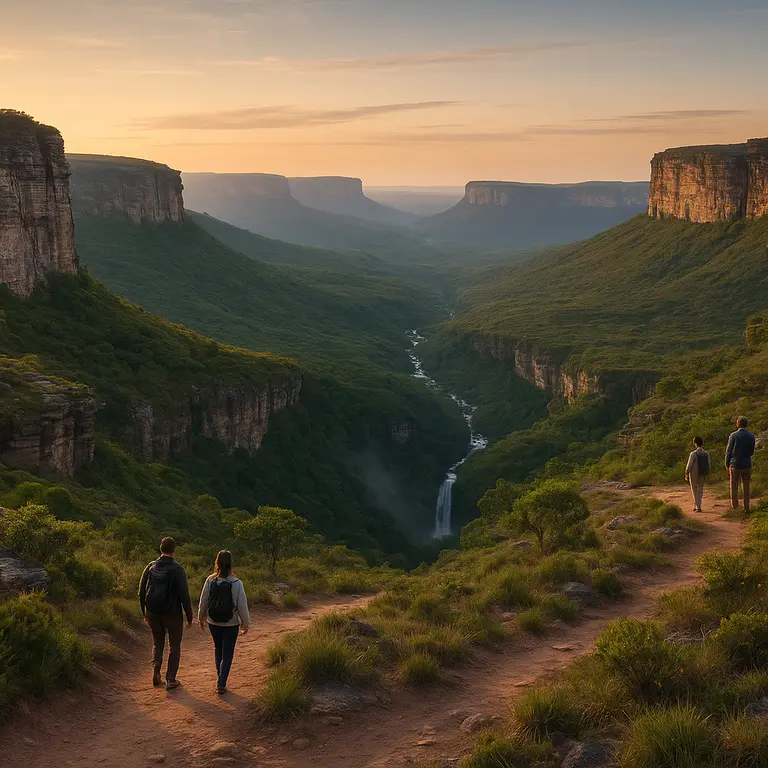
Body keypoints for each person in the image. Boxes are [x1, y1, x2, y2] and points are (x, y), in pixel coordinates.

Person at [138, 536, 193, 690]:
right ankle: (171, 679)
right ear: (174, 550)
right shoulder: (178, 569)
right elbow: (184, 595)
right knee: (174, 645)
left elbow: (141, 592)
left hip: (153, 612)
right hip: (172, 613)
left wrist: (144, 612)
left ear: (160, 548)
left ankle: (156, 673)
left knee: (157, 642)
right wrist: (189, 617)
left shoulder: (150, 566)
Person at [198, 550, 250, 694]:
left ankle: (220, 678)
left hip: (213, 622)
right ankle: (221, 682)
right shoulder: (237, 583)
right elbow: (242, 605)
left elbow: (204, 601)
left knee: (218, 649)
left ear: (217, 562)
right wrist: (245, 623)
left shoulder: (210, 580)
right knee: (227, 653)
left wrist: (201, 617)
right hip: (231, 623)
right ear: (230, 563)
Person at [725, 416, 756, 513]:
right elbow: (752, 451)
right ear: (746, 424)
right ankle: (747, 507)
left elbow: (729, 451)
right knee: (746, 487)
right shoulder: (751, 435)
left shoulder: (733, 435)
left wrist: (727, 462)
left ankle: (735, 507)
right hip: (746, 464)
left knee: (734, 486)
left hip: (735, 464)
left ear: (738, 424)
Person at [684, 436, 710, 512]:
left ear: (695, 443)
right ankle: (698, 506)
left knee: (694, 490)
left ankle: (697, 506)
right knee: (700, 489)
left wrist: (686, 472)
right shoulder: (706, 453)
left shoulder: (693, 454)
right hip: (703, 473)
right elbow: (709, 464)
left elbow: (689, 465)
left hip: (694, 474)